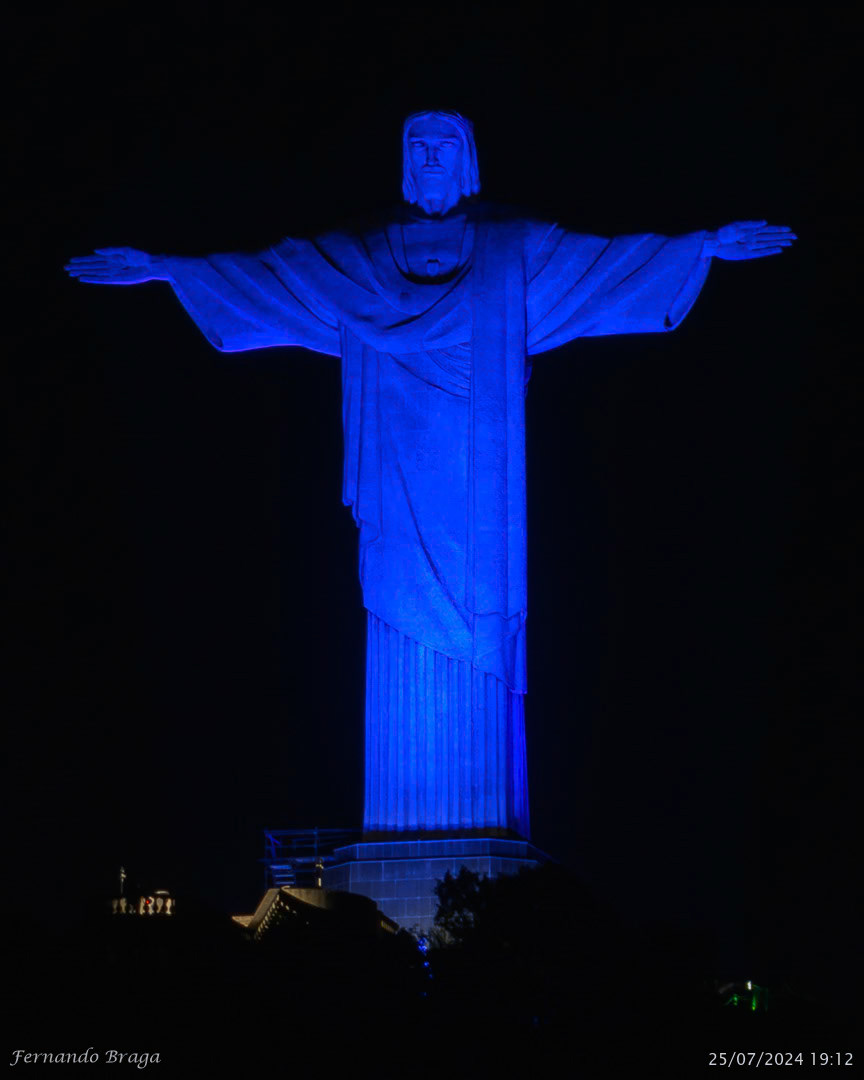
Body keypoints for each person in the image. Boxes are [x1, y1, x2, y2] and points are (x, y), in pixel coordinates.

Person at [65, 111, 796, 838]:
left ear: (468, 159)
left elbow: (605, 266)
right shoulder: (361, 255)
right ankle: (404, 832)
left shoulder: (511, 248)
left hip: (480, 488)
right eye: (418, 146)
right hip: (395, 475)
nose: (431, 156)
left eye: (446, 145)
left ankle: (482, 835)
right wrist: (167, 267)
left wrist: (703, 246)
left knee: (482, 623)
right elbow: (273, 275)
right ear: (404, 161)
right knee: (394, 603)